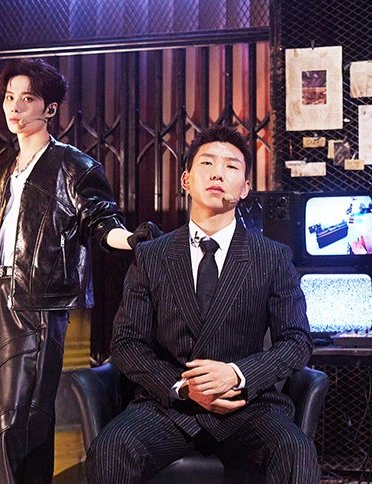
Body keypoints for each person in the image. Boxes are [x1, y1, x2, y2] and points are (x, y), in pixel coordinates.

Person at [86, 125, 318, 483]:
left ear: (245, 187)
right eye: (207, 163)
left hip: (246, 406)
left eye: (231, 166)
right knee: (111, 448)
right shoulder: (152, 255)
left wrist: (238, 374)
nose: (217, 173)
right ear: (186, 180)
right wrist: (182, 386)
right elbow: (127, 343)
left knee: (294, 450)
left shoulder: (272, 257)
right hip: (169, 406)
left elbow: (296, 341)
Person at [0, 57, 161, 483]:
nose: (14, 107)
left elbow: (101, 221)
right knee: (5, 417)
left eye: (27, 99)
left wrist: (132, 240)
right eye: (9, 97)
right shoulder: (7, 172)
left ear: (50, 109)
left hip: (39, 303)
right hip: (0, 298)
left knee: (14, 418)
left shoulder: (73, 165)